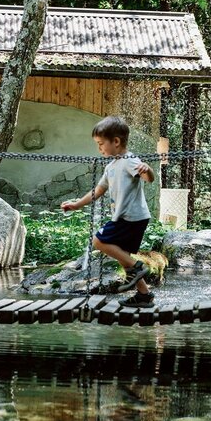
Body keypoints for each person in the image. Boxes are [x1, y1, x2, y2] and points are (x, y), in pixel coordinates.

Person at [61, 116, 156, 308]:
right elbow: (99, 190)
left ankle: (138, 267)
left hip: (131, 217)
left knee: (99, 241)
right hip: (128, 217)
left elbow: (148, 178)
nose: (99, 148)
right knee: (123, 258)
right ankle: (144, 295)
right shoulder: (111, 166)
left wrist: (148, 170)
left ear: (116, 141)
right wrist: (77, 204)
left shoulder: (129, 160)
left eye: (101, 143)